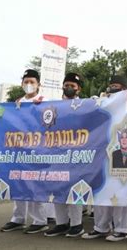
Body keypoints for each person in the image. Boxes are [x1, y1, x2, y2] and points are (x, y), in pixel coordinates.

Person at [83, 74, 127, 243]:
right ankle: (101, 227)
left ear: (125, 88)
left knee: (122, 189)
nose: (114, 88)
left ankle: (122, 229)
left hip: (123, 149)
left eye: (118, 86)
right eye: (112, 85)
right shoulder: (102, 100)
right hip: (101, 149)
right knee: (102, 188)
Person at [0, 69, 51, 234]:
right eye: (26, 82)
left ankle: (40, 220)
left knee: (36, 185)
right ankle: (18, 218)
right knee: (18, 184)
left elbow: (51, 124)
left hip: (38, 150)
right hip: (18, 150)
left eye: (32, 82)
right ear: (22, 83)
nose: (29, 85)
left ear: (38, 85)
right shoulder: (16, 103)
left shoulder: (45, 102)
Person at [45, 73, 84, 238]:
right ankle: (61, 223)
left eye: (73, 86)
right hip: (55, 153)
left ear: (78, 88)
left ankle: (77, 224)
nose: (69, 88)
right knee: (57, 187)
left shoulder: (86, 105)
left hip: (76, 153)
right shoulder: (53, 105)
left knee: (75, 188)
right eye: (66, 84)